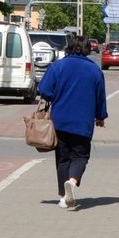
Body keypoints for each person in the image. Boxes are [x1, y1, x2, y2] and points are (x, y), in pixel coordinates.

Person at [37, 35, 108, 209]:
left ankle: (63, 197)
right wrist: (100, 116)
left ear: (69, 47)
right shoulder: (95, 70)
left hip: (60, 119)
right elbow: (100, 97)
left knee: (62, 158)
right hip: (83, 121)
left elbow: (44, 90)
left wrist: (57, 95)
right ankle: (73, 181)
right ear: (87, 50)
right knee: (81, 155)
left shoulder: (58, 66)